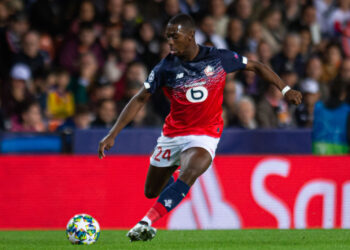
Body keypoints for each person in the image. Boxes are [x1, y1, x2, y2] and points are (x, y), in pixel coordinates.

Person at [98, 13, 302, 242]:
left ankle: (145, 223)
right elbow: (139, 98)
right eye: (168, 38)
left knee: (191, 171)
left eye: (175, 37)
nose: (170, 43)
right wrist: (112, 133)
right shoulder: (165, 67)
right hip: (172, 135)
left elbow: (256, 66)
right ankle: (172, 185)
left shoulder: (218, 58)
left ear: (191, 36)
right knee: (151, 192)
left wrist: (285, 90)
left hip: (205, 134)